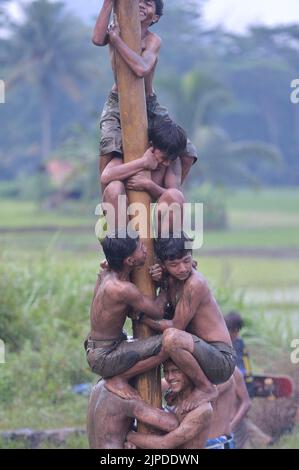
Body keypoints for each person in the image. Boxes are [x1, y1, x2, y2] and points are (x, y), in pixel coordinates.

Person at [92, 0, 198, 190]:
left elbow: (141, 69)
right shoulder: (115, 28)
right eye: (138, 1)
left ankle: (165, 194)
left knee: (187, 151)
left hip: (149, 103)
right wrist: (108, 3)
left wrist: (117, 41)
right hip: (117, 101)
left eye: (148, 4)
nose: (141, 5)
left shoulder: (152, 40)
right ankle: (108, 200)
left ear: (155, 17)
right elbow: (98, 40)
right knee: (109, 146)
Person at [143, 232, 236, 404]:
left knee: (171, 338)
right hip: (198, 352)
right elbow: (160, 306)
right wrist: (158, 280)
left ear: (192, 258)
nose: (183, 269)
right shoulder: (170, 279)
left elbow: (176, 325)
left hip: (221, 360)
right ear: (163, 264)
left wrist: (142, 319)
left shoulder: (195, 283)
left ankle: (206, 388)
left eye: (186, 261)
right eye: (174, 264)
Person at [84, 230, 168, 401]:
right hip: (105, 356)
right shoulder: (123, 289)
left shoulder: (105, 273)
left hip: (97, 347)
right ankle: (119, 379)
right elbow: (158, 312)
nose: (145, 249)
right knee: (170, 343)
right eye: (140, 247)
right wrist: (167, 281)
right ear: (130, 261)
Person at [101, 116, 186, 233]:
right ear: (152, 145)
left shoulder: (172, 163)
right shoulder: (132, 152)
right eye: (164, 157)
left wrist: (149, 186)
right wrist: (143, 163)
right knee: (113, 188)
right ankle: (123, 245)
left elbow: (175, 197)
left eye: (171, 159)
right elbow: (106, 176)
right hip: (123, 219)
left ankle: (165, 248)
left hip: (155, 222)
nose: (166, 163)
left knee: (176, 196)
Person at [125, 359, 213, 449]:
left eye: (176, 371)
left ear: (189, 372)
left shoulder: (202, 410)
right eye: (166, 372)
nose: (170, 377)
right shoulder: (173, 396)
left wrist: (128, 436)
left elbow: (164, 444)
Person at [87, 379, 179, 449]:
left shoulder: (98, 387)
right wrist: (131, 436)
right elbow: (171, 424)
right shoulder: (125, 395)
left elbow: (114, 428)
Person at [205, 367, 251, 449]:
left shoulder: (232, 371)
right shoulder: (194, 369)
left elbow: (246, 402)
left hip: (222, 438)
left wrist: (232, 425)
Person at [224, 311, 254, 397]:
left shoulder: (238, 344)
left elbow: (241, 369)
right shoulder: (231, 342)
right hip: (239, 381)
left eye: (231, 331)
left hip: (245, 384)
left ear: (236, 330)